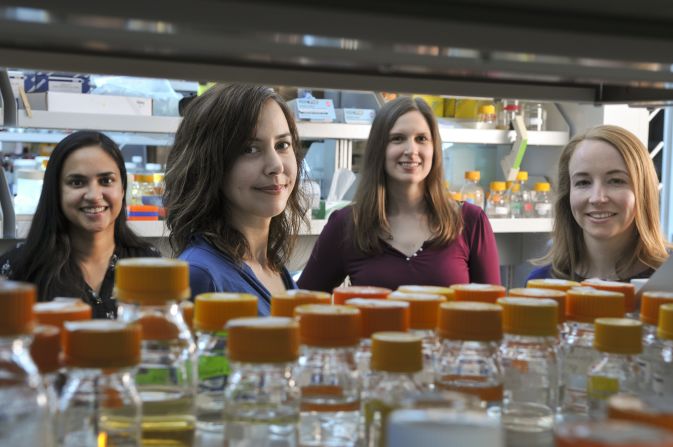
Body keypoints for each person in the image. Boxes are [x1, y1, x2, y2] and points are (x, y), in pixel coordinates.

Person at [297, 96, 501, 292]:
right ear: (379, 149)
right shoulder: (346, 224)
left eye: (421, 139)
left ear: (435, 149)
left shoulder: (471, 222)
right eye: (397, 139)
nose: (411, 149)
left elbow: (492, 315)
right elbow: (302, 303)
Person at [163, 84, 307, 315]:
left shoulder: (270, 265)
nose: (276, 165)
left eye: (282, 145)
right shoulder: (200, 274)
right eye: (250, 149)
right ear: (208, 163)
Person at [0, 131, 159, 319]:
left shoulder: (151, 266)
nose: (93, 195)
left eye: (106, 180)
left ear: (123, 188)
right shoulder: (18, 270)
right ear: (56, 191)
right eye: (77, 182)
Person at [528, 124, 671, 282]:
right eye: (583, 182)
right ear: (567, 194)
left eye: (616, 181)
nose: (597, 198)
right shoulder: (541, 283)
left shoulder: (667, 280)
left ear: (644, 191)